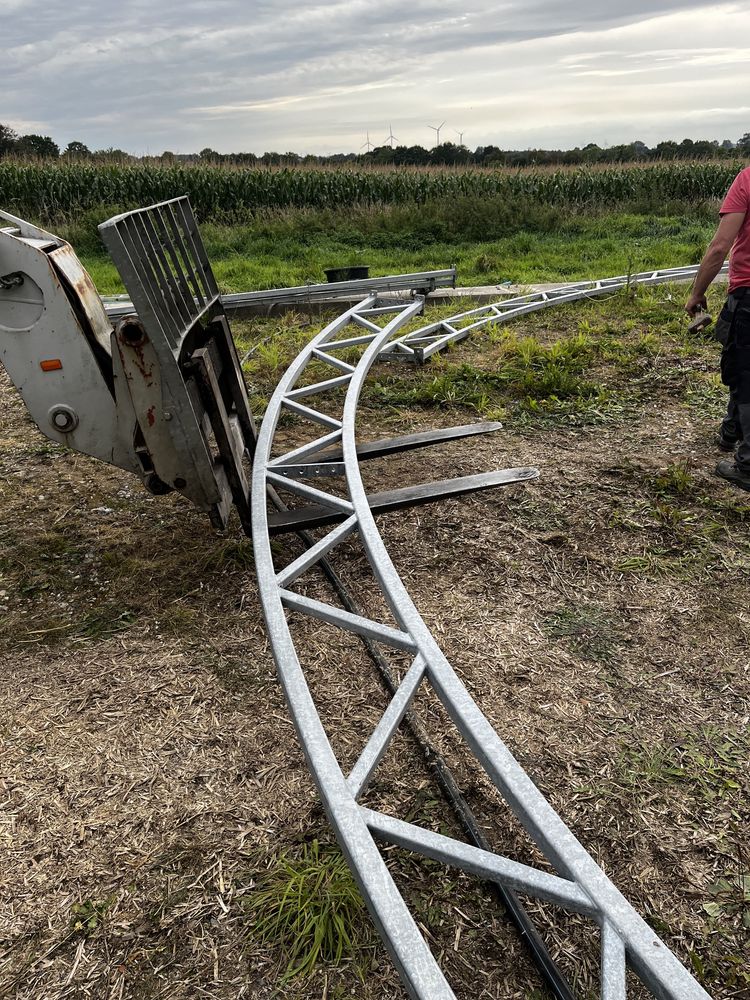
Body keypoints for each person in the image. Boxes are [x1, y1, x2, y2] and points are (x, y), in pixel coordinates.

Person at [686, 165, 750, 490]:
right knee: (741, 364)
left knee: (745, 372)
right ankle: (731, 431)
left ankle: (748, 465)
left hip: (748, 294)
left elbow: (719, 247)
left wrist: (697, 292)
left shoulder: (747, 179)